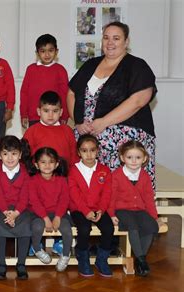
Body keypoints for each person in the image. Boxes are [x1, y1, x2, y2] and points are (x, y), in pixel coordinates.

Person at [67, 21, 158, 188]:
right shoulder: (90, 65)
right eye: (106, 38)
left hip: (125, 139)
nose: (110, 43)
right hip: (87, 135)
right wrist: (78, 122)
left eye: (116, 38)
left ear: (126, 42)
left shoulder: (137, 66)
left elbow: (139, 100)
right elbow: (71, 92)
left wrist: (104, 122)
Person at [109, 140, 159, 277]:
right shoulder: (116, 175)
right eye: (129, 157)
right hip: (122, 210)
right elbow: (111, 197)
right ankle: (142, 261)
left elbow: (148, 197)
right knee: (133, 226)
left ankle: (139, 258)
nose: (134, 161)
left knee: (151, 226)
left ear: (144, 159)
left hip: (139, 210)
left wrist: (154, 216)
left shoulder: (144, 176)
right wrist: (111, 214)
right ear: (122, 158)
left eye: (138, 157)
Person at [68, 134, 114, 277]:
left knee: (108, 228)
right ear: (78, 152)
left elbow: (107, 194)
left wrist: (100, 210)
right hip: (78, 209)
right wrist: (86, 211)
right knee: (83, 228)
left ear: (98, 151)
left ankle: (101, 259)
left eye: (92, 150)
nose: (89, 154)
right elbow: (74, 194)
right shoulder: (73, 170)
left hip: (98, 208)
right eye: (84, 150)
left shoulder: (104, 170)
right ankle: (83, 258)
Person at [0, 136, 31, 280]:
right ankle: (1, 264)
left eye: (14, 153)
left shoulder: (25, 172)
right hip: (0, 208)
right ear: (0, 155)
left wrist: (16, 214)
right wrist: (7, 213)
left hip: (21, 209)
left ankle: (21, 264)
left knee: (26, 225)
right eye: (5, 153)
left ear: (20, 154)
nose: (10, 158)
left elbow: (25, 196)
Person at [27, 147, 72, 272]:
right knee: (37, 227)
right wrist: (45, 218)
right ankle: (37, 249)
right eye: (43, 162)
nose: (47, 165)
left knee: (67, 229)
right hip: (38, 214)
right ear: (36, 164)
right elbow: (34, 202)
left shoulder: (62, 181)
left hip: (58, 213)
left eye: (51, 162)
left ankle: (66, 254)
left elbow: (64, 200)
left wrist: (58, 217)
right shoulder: (32, 181)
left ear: (57, 164)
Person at [20, 34, 69, 129]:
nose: (47, 55)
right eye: (43, 51)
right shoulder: (31, 69)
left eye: (50, 51)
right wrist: (24, 114)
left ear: (56, 51)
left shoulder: (60, 70)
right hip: (34, 117)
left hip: (54, 117)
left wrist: (65, 115)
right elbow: (24, 93)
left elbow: (65, 94)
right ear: (37, 53)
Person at [23, 91, 78, 166]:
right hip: (38, 175)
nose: (50, 115)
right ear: (39, 111)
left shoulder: (68, 131)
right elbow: (25, 158)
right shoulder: (31, 131)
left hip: (63, 175)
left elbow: (74, 156)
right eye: (46, 111)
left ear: (61, 112)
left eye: (55, 111)